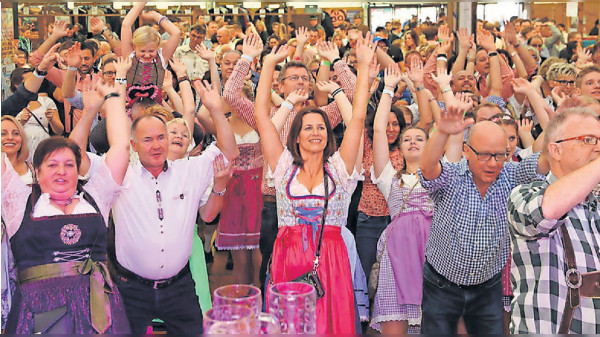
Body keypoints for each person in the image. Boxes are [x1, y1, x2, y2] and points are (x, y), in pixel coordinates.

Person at [254, 32, 373, 334]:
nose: (316, 132)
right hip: (287, 254)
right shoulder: (282, 167)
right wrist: (268, 64)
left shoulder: (338, 168)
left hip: (330, 256)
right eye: (308, 127)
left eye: (321, 127)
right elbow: (262, 118)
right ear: (296, 135)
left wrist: (358, 67)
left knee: (330, 324)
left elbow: (357, 119)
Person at [103, 80, 238, 334]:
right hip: (131, 289)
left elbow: (229, 153)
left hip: (179, 288)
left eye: (161, 137)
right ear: (133, 146)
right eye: (147, 140)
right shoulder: (121, 176)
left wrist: (216, 111)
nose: (156, 145)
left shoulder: (189, 170)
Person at [1, 80, 131, 334]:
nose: (61, 171)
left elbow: (122, 148)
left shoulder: (96, 197)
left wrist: (113, 97)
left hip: (98, 309)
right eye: (52, 165)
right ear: (36, 172)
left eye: (69, 165)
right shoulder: (17, 201)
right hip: (38, 314)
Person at [418, 96, 549, 334]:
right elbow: (427, 169)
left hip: (488, 287)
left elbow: (543, 163)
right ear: (467, 151)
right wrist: (442, 133)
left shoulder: (511, 174)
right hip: (441, 284)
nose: (493, 163)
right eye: (485, 155)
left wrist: (564, 130)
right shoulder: (452, 176)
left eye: (500, 155)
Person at [507, 107, 600, 333]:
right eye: (588, 139)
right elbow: (547, 211)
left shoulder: (595, 203)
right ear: (556, 150)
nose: (597, 147)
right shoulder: (525, 194)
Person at [369, 65, 433, 334]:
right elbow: (379, 130)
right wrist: (387, 89)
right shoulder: (388, 177)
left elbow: (438, 126)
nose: (413, 142)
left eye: (420, 138)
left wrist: (420, 86)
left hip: (434, 257)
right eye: (407, 138)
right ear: (400, 145)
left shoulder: (442, 178)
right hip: (396, 260)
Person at [121, 1, 181, 107]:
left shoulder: (162, 58)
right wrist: (141, 3)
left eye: (151, 51)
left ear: (157, 47)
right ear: (135, 47)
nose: (147, 55)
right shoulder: (129, 56)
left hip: (156, 109)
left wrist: (155, 15)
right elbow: (126, 25)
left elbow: (176, 33)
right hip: (131, 110)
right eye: (142, 51)